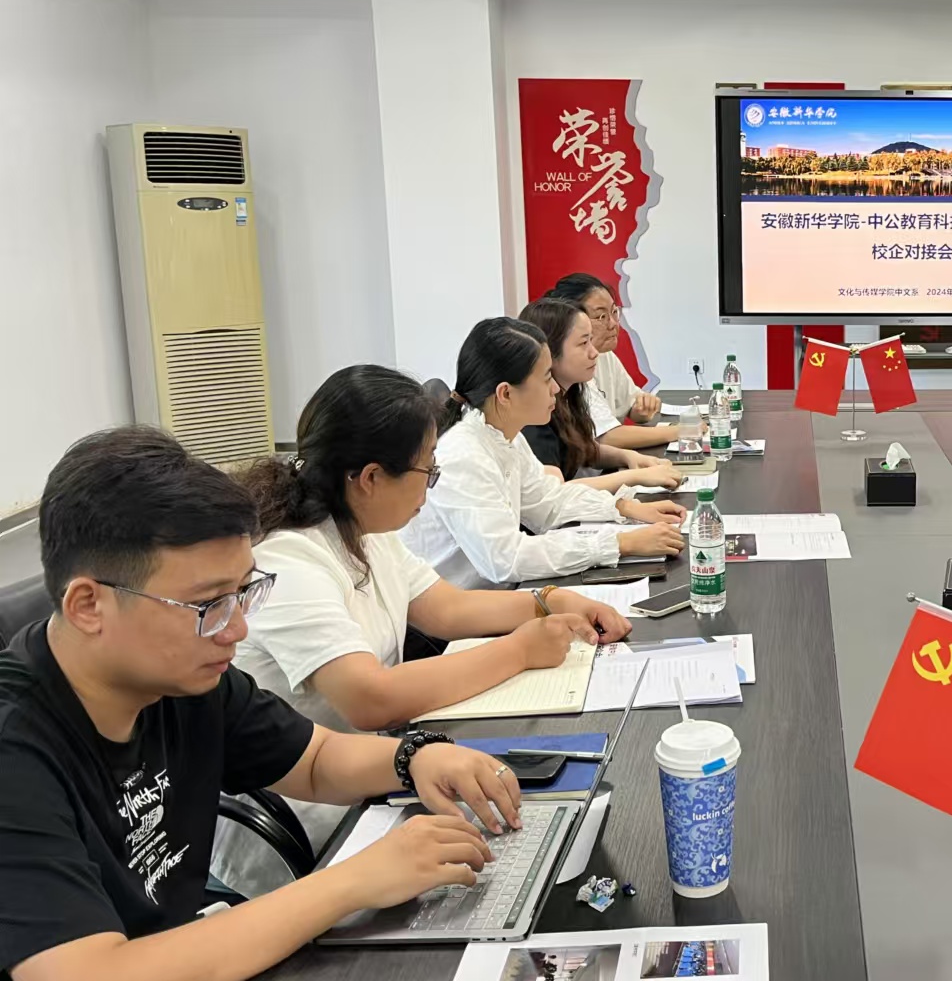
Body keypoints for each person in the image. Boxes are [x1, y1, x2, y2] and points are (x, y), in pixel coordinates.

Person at [0, 427, 523, 981]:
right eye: (208, 604)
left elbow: (313, 760)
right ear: (88, 605)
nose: (238, 628)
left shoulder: (181, 677)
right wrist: (351, 881)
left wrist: (413, 758)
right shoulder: (16, 748)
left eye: (245, 592)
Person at [234, 364, 636, 735]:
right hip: (323, 787)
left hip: (375, 754)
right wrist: (519, 650)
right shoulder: (288, 564)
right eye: (428, 470)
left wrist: (550, 601)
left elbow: (447, 609)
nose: (432, 481)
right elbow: (370, 700)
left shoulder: (364, 529)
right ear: (371, 478)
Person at [402, 317, 686, 587]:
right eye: (546, 377)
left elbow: (548, 502)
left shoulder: (502, 434)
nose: (555, 388)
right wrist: (620, 543)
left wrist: (625, 508)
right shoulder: (463, 455)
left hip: (500, 593)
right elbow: (506, 559)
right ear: (505, 394)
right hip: (466, 608)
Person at [516, 298, 684, 490]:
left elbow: (582, 448)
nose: (594, 352)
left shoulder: (570, 394)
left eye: (591, 340)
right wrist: (636, 476)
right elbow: (554, 491)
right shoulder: (533, 414)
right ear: (549, 352)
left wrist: (628, 456)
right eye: (583, 343)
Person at [546, 273, 685, 451]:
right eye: (601, 316)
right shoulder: (574, 368)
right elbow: (605, 437)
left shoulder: (605, 355)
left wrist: (642, 408)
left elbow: (632, 405)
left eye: (614, 312)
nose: (613, 324)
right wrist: (682, 431)